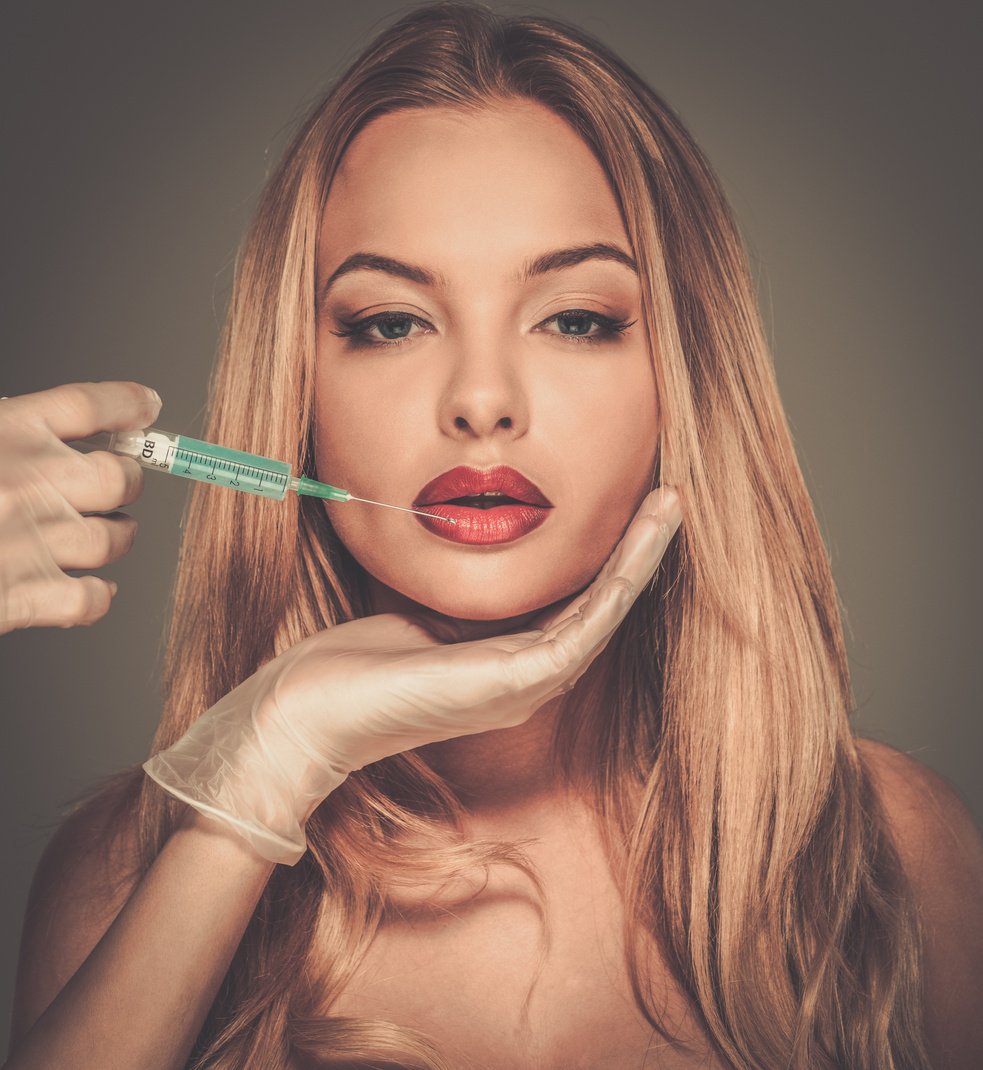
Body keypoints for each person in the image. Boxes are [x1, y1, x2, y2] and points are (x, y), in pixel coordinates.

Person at [5, 3, 982, 1069]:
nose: (480, 400)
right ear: (299, 390)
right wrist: (253, 785)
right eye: (389, 322)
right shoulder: (123, 873)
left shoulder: (885, 849)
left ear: (684, 381)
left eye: (574, 317)